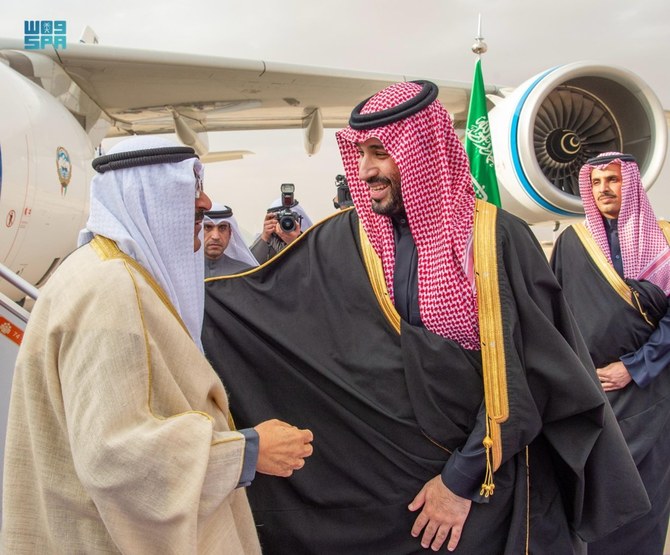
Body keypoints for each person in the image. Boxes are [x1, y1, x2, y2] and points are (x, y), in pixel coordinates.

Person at [202, 82, 649, 554]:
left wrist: (460, 482)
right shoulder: (346, 240)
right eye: (360, 153)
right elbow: (258, 309)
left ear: (422, 151)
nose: (366, 169)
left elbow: (529, 376)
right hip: (394, 494)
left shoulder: (495, 240)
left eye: (381, 152)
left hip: (482, 490)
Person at [1, 136, 314, 554]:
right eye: (190, 189)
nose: (205, 203)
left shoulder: (105, 271)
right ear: (147, 196)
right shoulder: (108, 290)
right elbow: (115, 457)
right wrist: (246, 451)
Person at [550, 152, 670, 555]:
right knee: (593, 495)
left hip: (650, 394)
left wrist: (633, 369)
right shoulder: (572, 242)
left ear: (631, 184)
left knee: (644, 501)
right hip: (590, 395)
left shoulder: (665, 241)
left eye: (613, 180)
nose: (604, 190)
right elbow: (553, 315)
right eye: (597, 182)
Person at [249, 194, 313, 264]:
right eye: (280, 218)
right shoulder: (268, 241)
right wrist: (265, 237)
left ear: (299, 219)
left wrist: (295, 243)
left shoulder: (312, 242)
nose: (286, 223)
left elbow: (314, 267)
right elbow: (251, 268)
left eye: (291, 218)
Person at [204, 202, 258, 277]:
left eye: (222, 228)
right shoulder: (184, 272)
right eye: (207, 227)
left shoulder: (245, 274)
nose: (215, 236)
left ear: (230, 233)